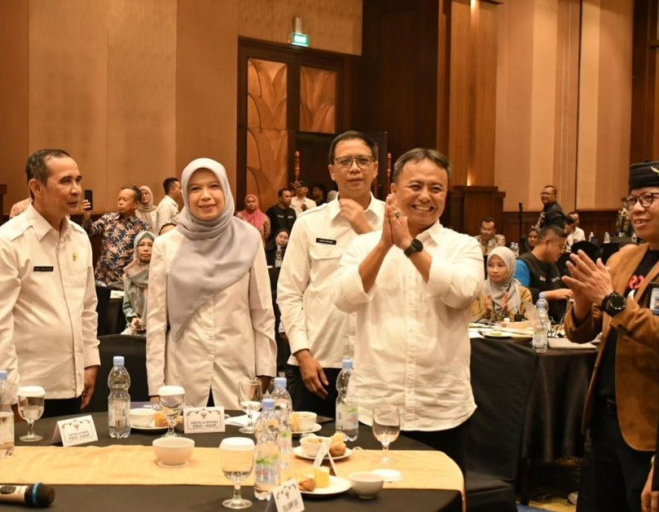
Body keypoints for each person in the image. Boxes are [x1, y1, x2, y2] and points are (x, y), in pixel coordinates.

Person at [333, 148, 482, 469]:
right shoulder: (362, 246)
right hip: (376, 404)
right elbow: (344, 299)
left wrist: (409, 247)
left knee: (440, 499)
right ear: (394, 192)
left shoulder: (464, 246)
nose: (425, 196)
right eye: (415, 186)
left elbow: (462, 293)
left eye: (436, 188)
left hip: (441, 409)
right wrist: (384, 244)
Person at [563, 160, 659, 511]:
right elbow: (583, 331)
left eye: (648, 198)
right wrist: (582, 303)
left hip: (647, 428)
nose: (637, 208)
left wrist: (612, 300)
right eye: (631, 199)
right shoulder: (623, 259)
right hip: (604, 421)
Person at [146, 158, 276, 408]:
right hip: (183, 375)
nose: (205, 196)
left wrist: (265, 374)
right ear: (184, 194)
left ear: (225, 189)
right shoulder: (166, 245)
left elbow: (262, 313)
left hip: (238, 375)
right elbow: (156, 323)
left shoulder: (249, 238)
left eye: (214, 186)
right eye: (195, 189)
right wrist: (155, 387)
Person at [0, 149, 100, 418]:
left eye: (78, 180)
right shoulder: (8, 242)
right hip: (28, 391)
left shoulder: (80, 237)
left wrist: (90, 363)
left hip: (74, 384)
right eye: (65, 181)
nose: (76, 190)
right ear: (36, 187)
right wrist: (6, 395)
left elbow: (88, 308)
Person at [277, 130, 385, 417]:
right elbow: (289, 293)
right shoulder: (310, 223)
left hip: (375, 364)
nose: (354, 168)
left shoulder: (393, 222)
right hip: (318, 362)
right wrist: (302, 353)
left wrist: (369, 233)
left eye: (362, 160)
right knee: (309, 454)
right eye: (345, 161)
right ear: (332, 171)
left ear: (375, 167)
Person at [83, 186, 148, 335]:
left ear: (136, 204)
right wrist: (87, 217)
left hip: (122, 283)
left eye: (125, 200)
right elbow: (89, 232)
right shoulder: (108, 219)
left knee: (116, 324)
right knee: (98, 323)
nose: (120, 202)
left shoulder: (142, 227)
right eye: (119, 199)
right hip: (101, 279)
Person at [515, 225, 572, 319]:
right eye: (560, 246)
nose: (562, 251)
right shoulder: (522, 264)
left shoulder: (552, 265)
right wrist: (551, 295)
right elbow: (520, 296)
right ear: (547, 243)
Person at [471, 246, 533, 322]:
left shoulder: (523, 293)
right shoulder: (478, 290)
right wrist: (487, 313)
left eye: (500, 265)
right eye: (490, 265)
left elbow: (529, 324)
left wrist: (507, 314)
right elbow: (470, 321)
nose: (494, 270)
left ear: (511, 267)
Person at [122, 231, 155, 336]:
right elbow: (127, 305)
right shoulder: (129, 275)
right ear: (136, 248)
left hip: (158, 328)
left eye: (151, 245)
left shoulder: (162, 273)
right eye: (141, 245)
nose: (146, 249)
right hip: (137, 329)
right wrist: (133, 319)